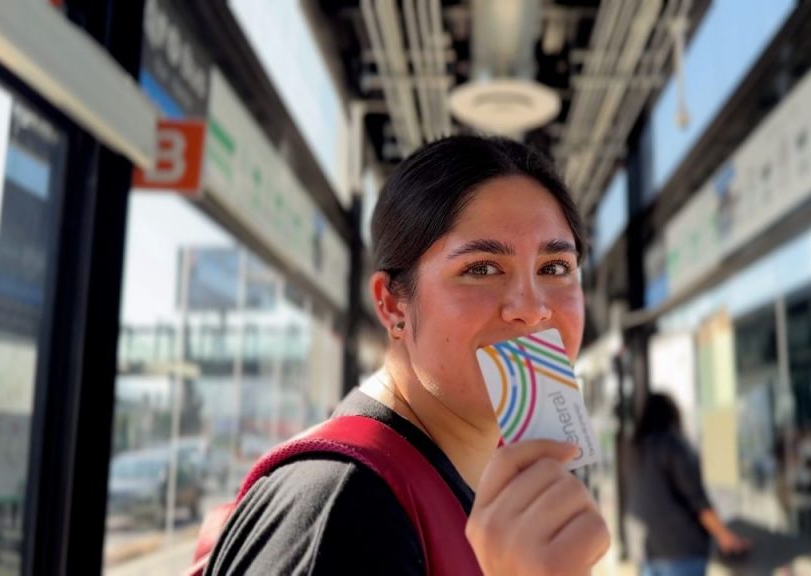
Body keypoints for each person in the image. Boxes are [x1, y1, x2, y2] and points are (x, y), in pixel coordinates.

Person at [204, 135, 610, 575]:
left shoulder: (492, 483)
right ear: (393, 304)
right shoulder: (346, 510)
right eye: (481, 269)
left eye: (555, 268)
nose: (531, 309)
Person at [629, 393, 748, 576]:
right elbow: (697, 499)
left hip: (648, 552)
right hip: (682, 551)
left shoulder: (635, 452)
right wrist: (725, 536)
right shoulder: (672, 445)